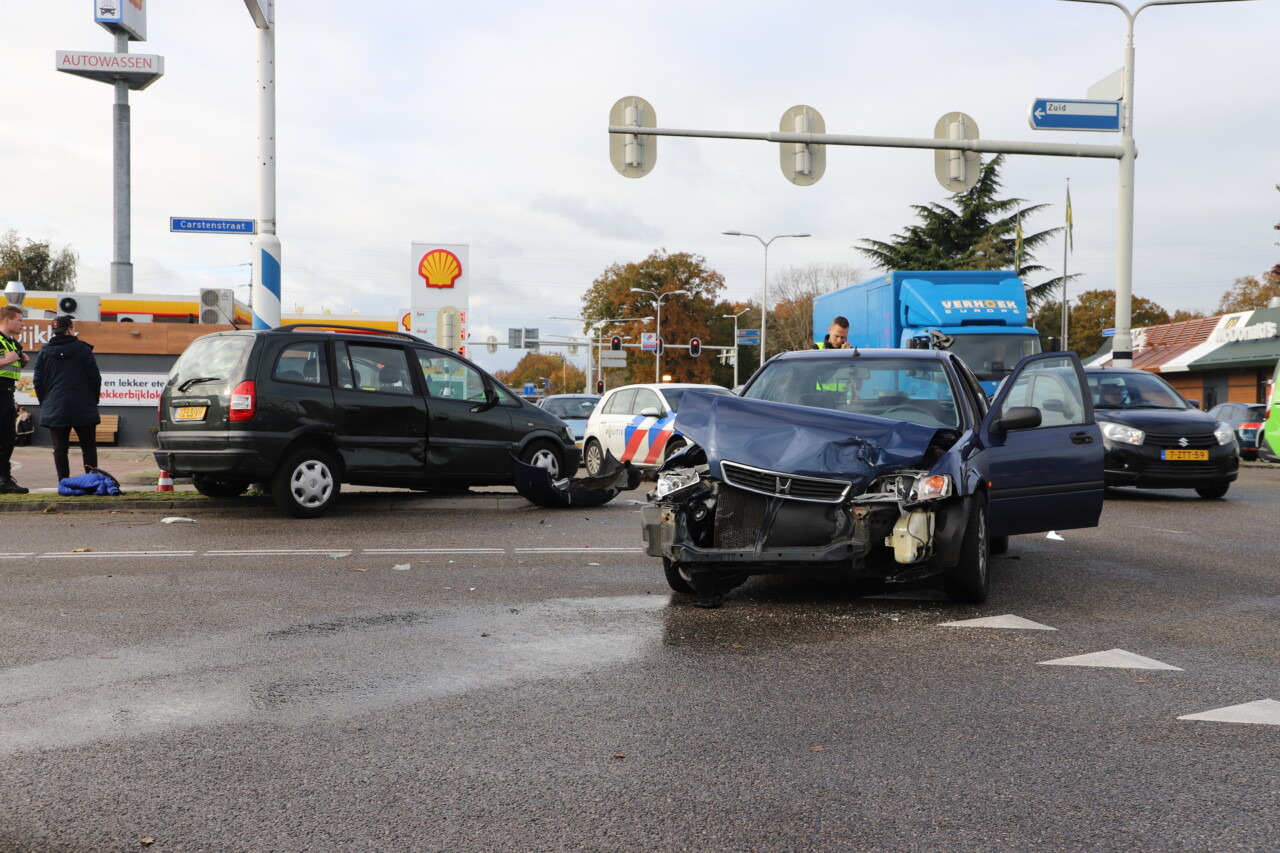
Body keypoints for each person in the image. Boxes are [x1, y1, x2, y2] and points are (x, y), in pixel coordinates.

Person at [33, 315, 102, 485]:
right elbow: (95, 378)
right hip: (83, 404)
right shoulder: (83, 349)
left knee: (60, 449)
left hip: (55, 406)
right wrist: (92, 400)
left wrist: (46, 402)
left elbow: (38, 381)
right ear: (70, 329)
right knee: (88, 447)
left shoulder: (44, 352)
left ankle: (63, 482)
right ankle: (92, 480)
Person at [0, 303, 30, 494]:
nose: (22, 324)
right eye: (19, 320)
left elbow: (11, 368)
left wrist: (22, 362)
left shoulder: (12, 343)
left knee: (8, 437)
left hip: (7, 393)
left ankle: (4, 480)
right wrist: (8, 360)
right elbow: (5, 363)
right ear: (6, 319)